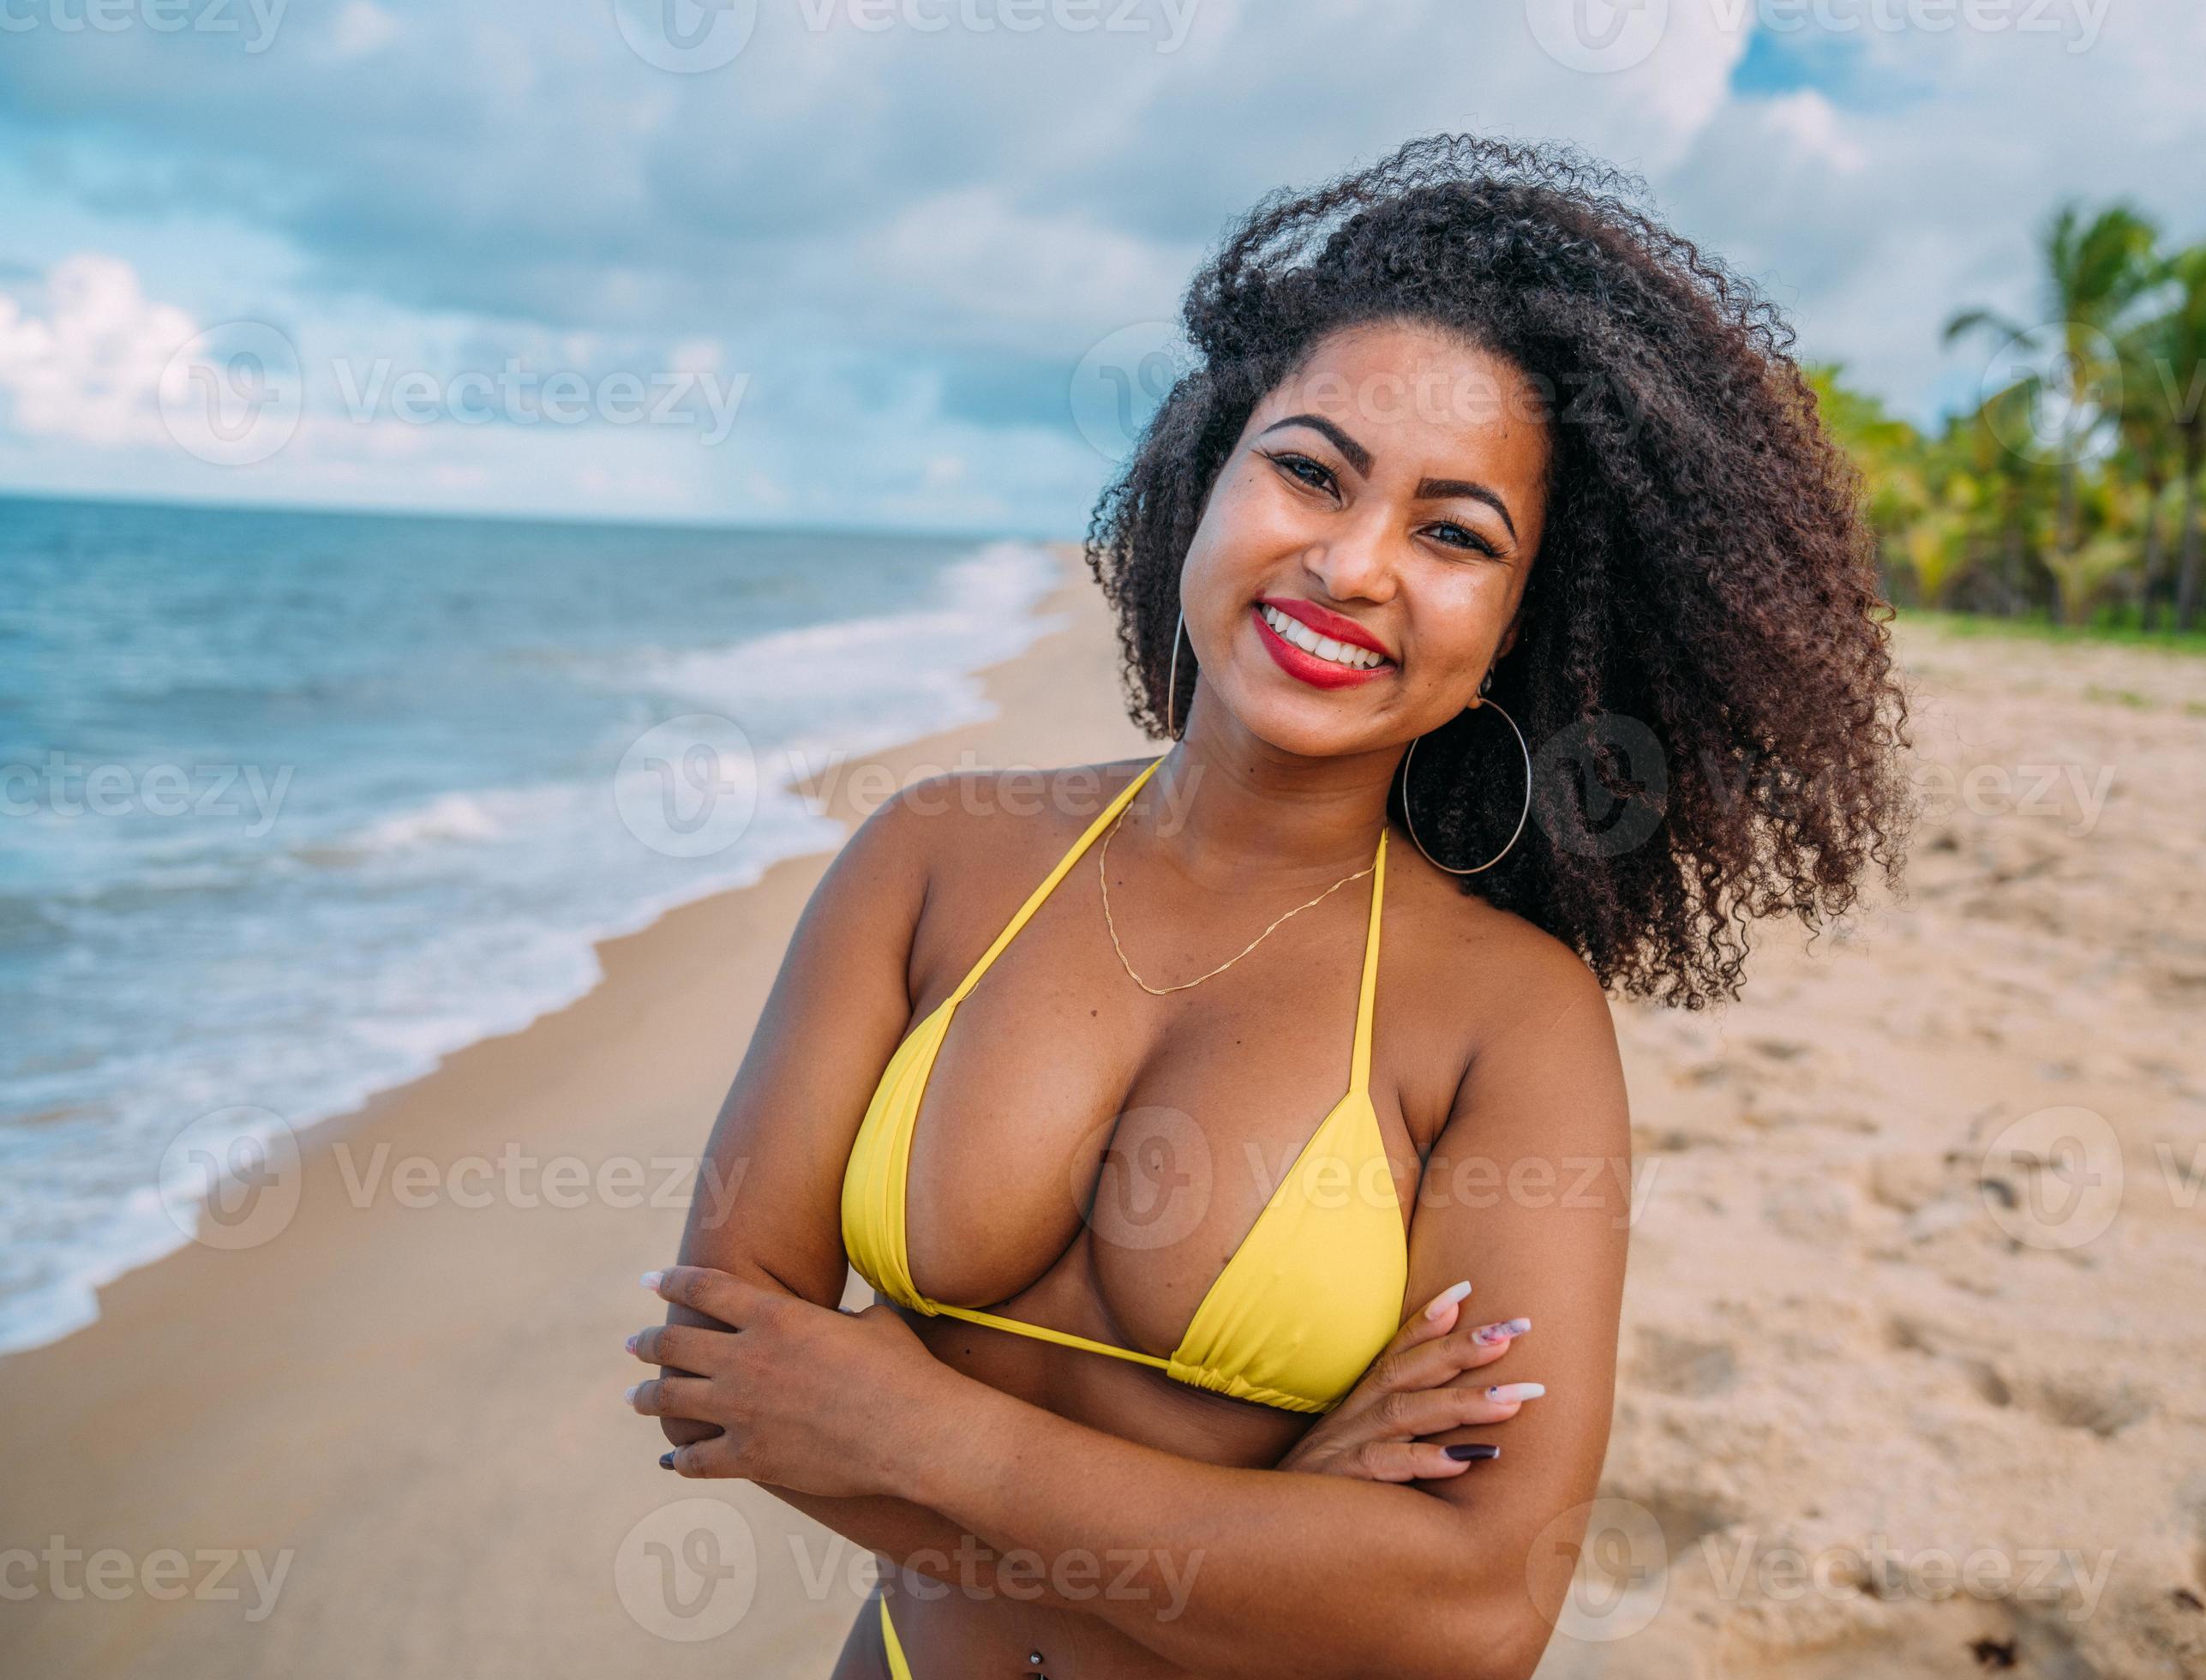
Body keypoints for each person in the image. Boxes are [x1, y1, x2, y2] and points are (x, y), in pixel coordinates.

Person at [624, 132, 1909, 1679]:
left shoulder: (1508, 1023)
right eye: (1311, 470)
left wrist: (909, 1423)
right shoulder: (933, 857)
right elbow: (720, 1376)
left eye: (1454, 534)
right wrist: (1277, 1531)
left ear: (1516, 627)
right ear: (1205, 473)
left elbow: (1476, 1613)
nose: (1355, 564)